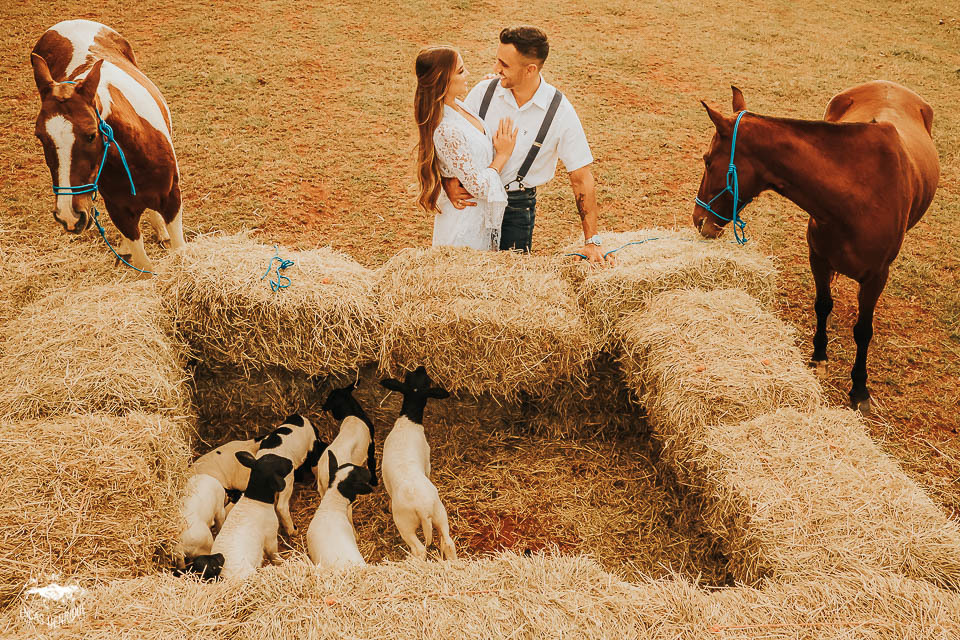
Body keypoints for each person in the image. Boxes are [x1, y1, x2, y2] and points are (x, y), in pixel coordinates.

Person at [444, 25, 609, 265]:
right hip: (474, 200)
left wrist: (592, 240)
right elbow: (451, 138)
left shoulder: (560, 112)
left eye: (505, 64)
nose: (496, 69)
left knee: (510, 283)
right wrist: (446, 180)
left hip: (516, 208)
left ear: (530, 69)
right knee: (463, 272)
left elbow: (581, 177)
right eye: (497, 60)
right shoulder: (483, 92)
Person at [414, 45, 518, 250]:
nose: (467, 73)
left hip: (477, 219)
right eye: (461, 71)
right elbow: (477, 187)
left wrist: (490, 84)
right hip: (463, 230)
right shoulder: (445, 130)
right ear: (442, 80)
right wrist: (502, 156)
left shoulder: (458, 105)